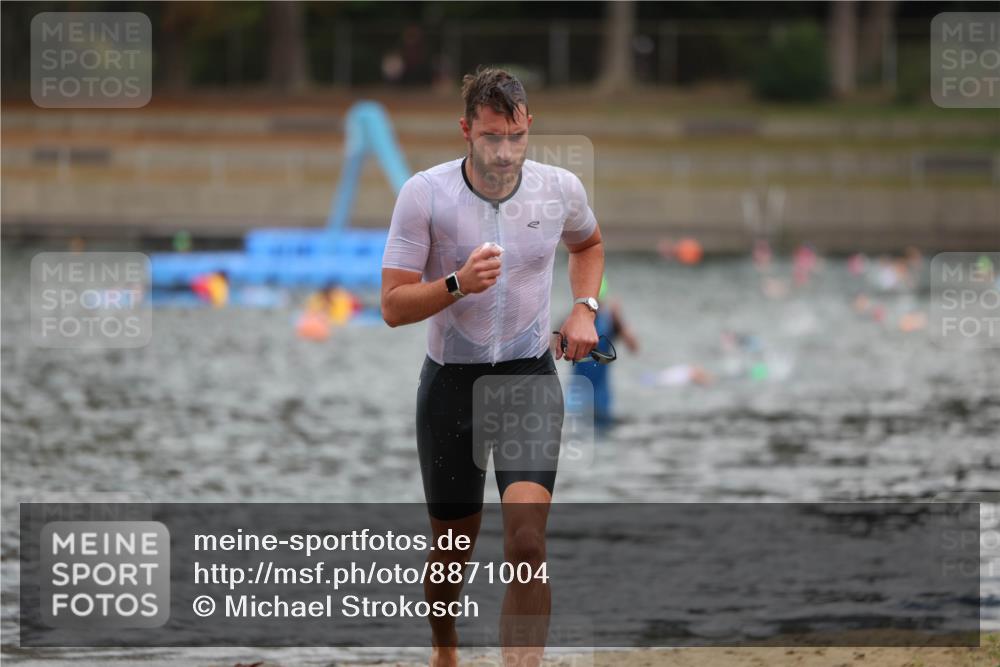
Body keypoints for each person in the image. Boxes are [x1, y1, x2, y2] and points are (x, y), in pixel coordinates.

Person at [380, 66, 604, 667]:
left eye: (514, 137)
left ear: (528, 127)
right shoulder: (425, 194)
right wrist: (455, 284)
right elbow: (392, 307)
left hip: (529, 380)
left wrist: (583, 308)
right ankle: (445, 648)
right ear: (465, 131)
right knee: (453, 549)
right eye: (489, 138)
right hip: (451, 386)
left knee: (528, 542)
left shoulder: (559, 189)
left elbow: (588, 245)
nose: (503, 153)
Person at [570, 277, 639, 425]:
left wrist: (619, 319)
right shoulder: (574, 319)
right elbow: (550, 347)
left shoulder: (609, 320)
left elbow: (634, 347)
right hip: (577, 394)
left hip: (601, 396)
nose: (595, 310)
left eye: (598, 305)